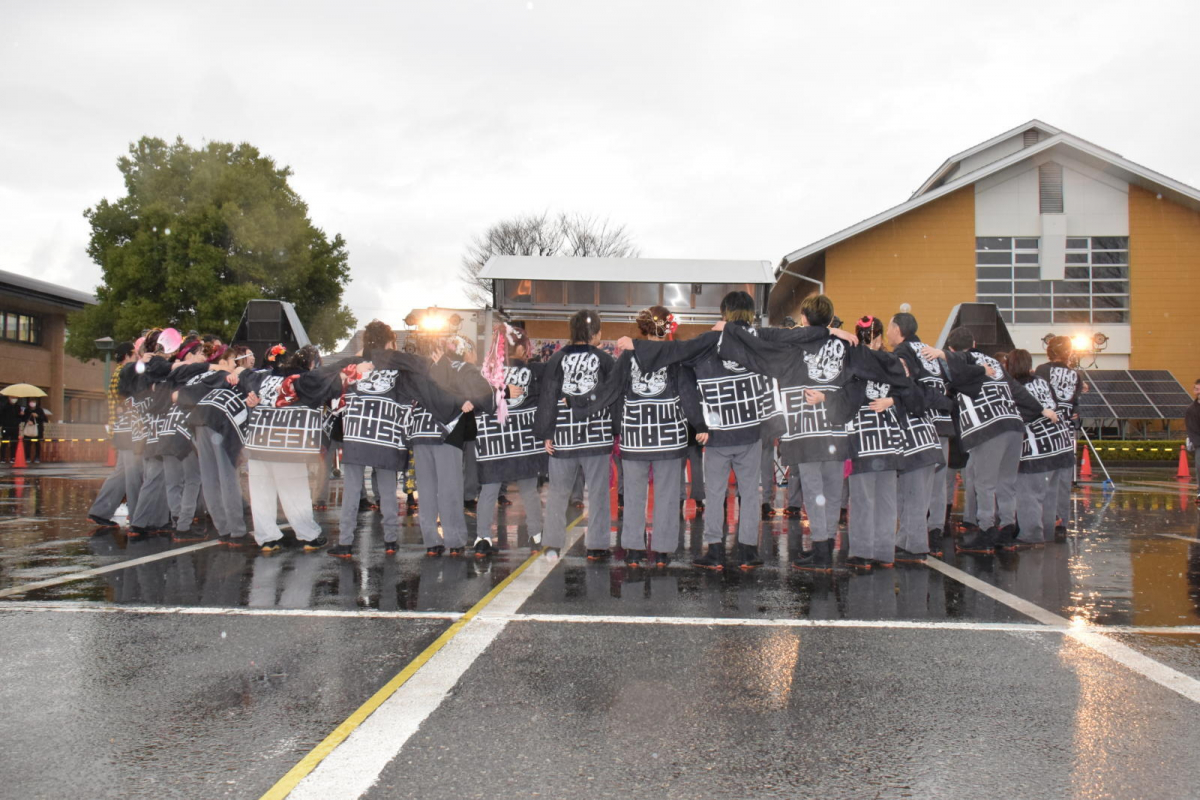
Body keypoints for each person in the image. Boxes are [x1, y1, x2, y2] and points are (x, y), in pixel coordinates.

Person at [619, 291, 807, 571]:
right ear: (751, 314)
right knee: (750, 492)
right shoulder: (760, 338)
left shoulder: (709, 340)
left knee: (716, 492)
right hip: (751, 430)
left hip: (717, 432)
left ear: (724, 313)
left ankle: (715, 550)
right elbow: (796, 337)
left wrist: (636, 344)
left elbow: (676, 351)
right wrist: (832, 331)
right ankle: (747, 551)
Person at [713, 294, 856, 572]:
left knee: (814, 491)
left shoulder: (792, 343)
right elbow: (857, 383)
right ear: (830, 318)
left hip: (805, 430)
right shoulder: (845, 345)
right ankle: (826, 547)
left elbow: (762, 339)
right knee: (833, 490)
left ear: (804, 318)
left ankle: (820, 549)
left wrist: (730, 329)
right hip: (837, 429)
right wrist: (830, 332)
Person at [329, 321, 463, 558]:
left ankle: (345, 543)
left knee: (352, 490)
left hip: (356, 435)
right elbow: (423, 381)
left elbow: (327, 383)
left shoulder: (351, 366)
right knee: (388, 491)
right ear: (390, 342)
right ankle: (390, 540)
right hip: (387, 438)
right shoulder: (400, 368)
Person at [920, 329, 1054, 553]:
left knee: (984, 483)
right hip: (1014, 426)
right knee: (1006, 483)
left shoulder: (959, 362)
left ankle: (986, 531)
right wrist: (1041, 409)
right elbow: (1016, 389)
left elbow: (960, 363)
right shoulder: (993, 362)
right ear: (974, 342)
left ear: (951, 348)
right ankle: (1007, 529)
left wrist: (941, 355)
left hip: (988, 428)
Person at [593, 306, 703, 568]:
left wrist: (586, 409)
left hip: (635, 435)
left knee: (633, 496)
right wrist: (700, 425)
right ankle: (662, 552)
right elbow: (688, 392)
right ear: (668, 327)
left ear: (642, 328)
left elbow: (612, 390)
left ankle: (633, 550)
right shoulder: (676, 355)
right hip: (670, 436)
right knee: (667, 496)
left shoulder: (628, 355)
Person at [240, 345, 368, 553]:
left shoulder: (263, 377)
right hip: (287, 447)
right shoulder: (307, 381)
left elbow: (242, 376)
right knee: (295, 493)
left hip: (258, 442)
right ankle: (308, 535)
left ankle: (267, 539)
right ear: (312, 364)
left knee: (261, 494)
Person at [823, 316, 918, 570]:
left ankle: (863, 552)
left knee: (863, 499)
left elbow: (843, 402)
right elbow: (911, 390)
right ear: (879, 338)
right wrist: (893, 400)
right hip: (890, 439)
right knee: (886, 499)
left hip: (863, 439)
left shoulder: (852, 362)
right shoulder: (894, 362)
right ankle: (885, 552)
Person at [535, 309, 620, 563]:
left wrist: (546, 432)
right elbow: (613, 397)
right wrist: (617, 429)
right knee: (598, 492)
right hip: (598, 435)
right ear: (595, 333)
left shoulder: (557, 358)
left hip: (564, 435)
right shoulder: (605, 360)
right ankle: (597, 546)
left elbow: (548, 396)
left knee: (558, 492)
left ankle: (552, 544)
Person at [408, 336, 495, 558]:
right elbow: (484, 395)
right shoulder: (464, 368)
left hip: (420, 430)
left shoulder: (423, 365)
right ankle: (454, 540)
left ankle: (431, 541)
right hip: (446, 431)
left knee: (426, 489)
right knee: (449, 488)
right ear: (465, 352)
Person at [472, 324, 547, 556]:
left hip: (493, 441)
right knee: (529, 490)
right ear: (522, 348)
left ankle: (482, 538)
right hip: (524, 441)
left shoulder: (486, 373)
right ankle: (536, 535)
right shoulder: (535, 371)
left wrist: (500, 393)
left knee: (489, 491)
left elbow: (475, 401)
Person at [887, 312, 957, 546]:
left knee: (912, 485)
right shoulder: (929, 350)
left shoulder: (902, 352)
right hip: (943, 422)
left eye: (889, 327)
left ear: (898, 330)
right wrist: (947, 404)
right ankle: (935, 527)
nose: (887, 333)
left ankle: (911, 536)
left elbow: (908, 387)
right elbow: (949, 382)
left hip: (920, 422)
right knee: (936, 481)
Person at [177, 344, 252, 544]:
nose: (237, 364)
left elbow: (180, 395)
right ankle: (237, 532)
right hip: (221, 422)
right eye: (235, 360)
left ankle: (224, 529)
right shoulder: (226, 375)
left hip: (200, 421)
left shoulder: (203, 376)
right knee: (228, 477)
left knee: (210, 477)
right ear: (224, 362)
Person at [1008, 349, 1074, 546]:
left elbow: (1019, 416)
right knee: (1050, 495)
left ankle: (1030, 536)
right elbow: (1055, 404)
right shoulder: (1041, 381)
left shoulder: (1013, 388)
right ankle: (1047, 533)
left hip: (1037, 448)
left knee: (1030, 494)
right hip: (1061, 442)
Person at [88, 341, 140, 527]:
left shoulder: (118, 373)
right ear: (126, 355)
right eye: (135, 354)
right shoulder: (124, 373)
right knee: (131, 473)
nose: (138, 357)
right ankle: (137, 516)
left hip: (120, 428)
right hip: (127, 428)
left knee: (123, 472)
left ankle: (100, 512)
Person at [1036, 336, 1082, 536]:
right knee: (1064, 480)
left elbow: (1036, 396)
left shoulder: (1042, 371)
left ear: (1049, 351)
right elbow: (1075, 403)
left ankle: (1045, 519)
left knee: (1045, 478)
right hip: (1066, 431)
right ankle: (1062, 522)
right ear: (1069, 353)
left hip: (1046, 429)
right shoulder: (1076, 375)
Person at [23, 398, 48, 462]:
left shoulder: (39, 410)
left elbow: (45, 419)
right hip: (29, 430)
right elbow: (24, 418)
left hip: (38, 430)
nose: (32, 404)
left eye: (33, 402)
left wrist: (38, 416)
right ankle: (27, 457)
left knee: (37, 444)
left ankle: (37, 457)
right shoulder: (27, 410)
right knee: (27, 444)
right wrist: (27, 420)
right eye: (31, 402)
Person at [1187, 380, 1200, 499]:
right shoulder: (1191, 410)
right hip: (1199, 443)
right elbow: (1192, 429)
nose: (1198, 392)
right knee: (1199, 466)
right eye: (1196, 389)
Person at [0, 396, 20, 464]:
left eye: (15, 398)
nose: (14, 399)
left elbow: (19, 417)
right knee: (4, 442)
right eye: (12, 398)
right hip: (6, 427)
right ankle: (2, 457)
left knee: (14, 442)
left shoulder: (18, 407)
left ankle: (13, 457)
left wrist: (21, 416)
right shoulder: (4, 406)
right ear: (9, 398)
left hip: (15, 427)